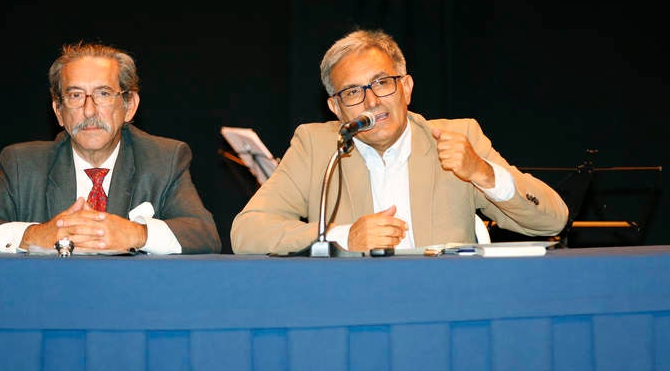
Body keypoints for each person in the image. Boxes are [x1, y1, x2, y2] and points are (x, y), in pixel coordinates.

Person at [231, 29, 568, 254]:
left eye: (382, 83)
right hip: (354, 307)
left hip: (445, 303)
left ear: (406, 88)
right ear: (336, 108)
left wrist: (483, 173)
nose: (372, 101)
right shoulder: (316, 147)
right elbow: (246, 232)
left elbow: (552, 220)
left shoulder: (457, 137)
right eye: (352, 92)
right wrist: (343, 237)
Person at [0, 41, 221, 254]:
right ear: (59, 111)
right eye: (75, 96)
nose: (89, 110)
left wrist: (136, 234)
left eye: (103, 94)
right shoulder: (23, 163)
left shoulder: (164, 159)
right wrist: (33, 235)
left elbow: (204, 235)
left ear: (129, 106)